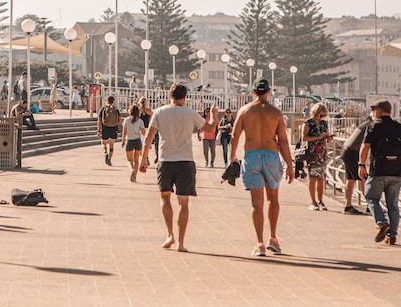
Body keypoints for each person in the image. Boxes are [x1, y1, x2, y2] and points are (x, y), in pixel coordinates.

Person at [139, 84, 219, 252]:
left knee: (165, 198)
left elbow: (148, 138)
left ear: (170, 95)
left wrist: (144, 159)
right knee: (183, 202)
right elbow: (210, 128)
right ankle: (181, 243)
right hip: (185, 161)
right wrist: (213, 115)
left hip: (165, 160)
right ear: (185, 97)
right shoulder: (190, 113)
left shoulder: (159, 112)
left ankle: (170, 235)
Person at [228, 78, 294, 257]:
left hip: (252, 157)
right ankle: (273, 237)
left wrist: (232, 157)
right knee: (273, 199)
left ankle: (259, 244)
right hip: (271, 156)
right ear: (269, 91)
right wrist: (289, 165)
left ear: (253, 92)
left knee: (256, 203)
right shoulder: (276, 113)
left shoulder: (245, 111)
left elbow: (234, 136)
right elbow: (283, 141)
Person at [359, 100, 401, 245]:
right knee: (392, 204)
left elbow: (365, 147)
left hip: (378, 170)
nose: (372, 113)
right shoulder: (399, 127)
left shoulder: (373, 126)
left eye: (373, 110)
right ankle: (392, 236)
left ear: (379, 111)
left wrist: (361, 165)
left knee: (371, 197)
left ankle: (381, 223)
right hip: (396, 171)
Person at [302, 102, 333, 210]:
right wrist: (318, 137)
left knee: (321, 178)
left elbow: (327, 138)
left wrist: (329, 138)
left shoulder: (324, 123)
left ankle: (320, 201)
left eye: (322, 116)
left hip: (322, 154)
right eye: (319, 115)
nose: (320, 118)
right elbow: (304, 138)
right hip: (312, 153)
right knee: (313, 178)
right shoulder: (308, 123)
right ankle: (313, 201)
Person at [339, 118, 373, 215]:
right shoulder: (371, 125)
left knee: (351, 179)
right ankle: (370, 205)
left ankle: (348, 205)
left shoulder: (366, 123)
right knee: (363, 178)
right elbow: (367, 144)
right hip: (352, 152)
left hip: (347, 150)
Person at [121, 104, 146, 182]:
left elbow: (124, 132)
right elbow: (143, 132)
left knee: (129, 160)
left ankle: (132, 169)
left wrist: (123, 141)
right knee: (136, 160)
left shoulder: (126, 120)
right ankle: (134, 176)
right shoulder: (140, 121)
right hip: (137, 141)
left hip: (129, 141)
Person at [97, 96, 121, 166]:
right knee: (111, 145)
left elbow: (99, 120)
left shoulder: (103, 108)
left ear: (107, 101)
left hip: (105, 127)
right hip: (113, 128)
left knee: (103, 143)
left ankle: (105, 152)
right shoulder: (116, 109)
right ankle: (109, 159)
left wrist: (98, 130)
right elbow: (119, 120)